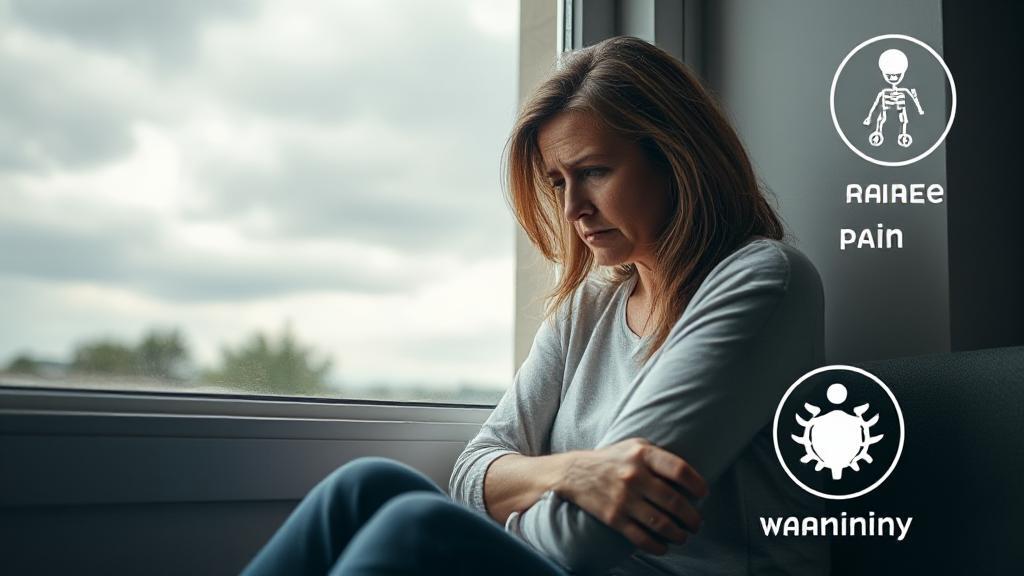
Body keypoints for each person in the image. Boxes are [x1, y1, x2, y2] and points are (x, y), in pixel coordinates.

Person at [241, 36, 828, 576]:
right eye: (556, 181)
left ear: (678, 159)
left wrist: (518, 496)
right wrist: (572, 472)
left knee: (416, 528)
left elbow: (582, 540)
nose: (573, 207)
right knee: (363, 486)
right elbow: (471, 470)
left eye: (594, 171)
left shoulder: (764, 280)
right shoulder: (591, 305)